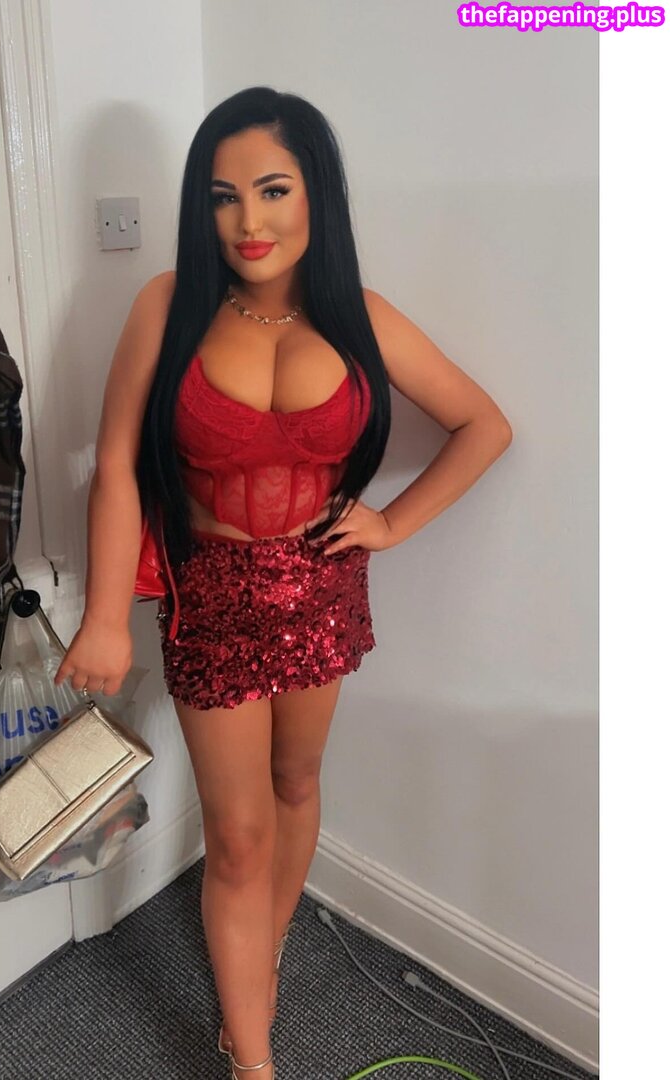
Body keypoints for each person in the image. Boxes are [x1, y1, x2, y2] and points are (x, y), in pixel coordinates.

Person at [55, 86, 512, 1079]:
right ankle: (252, 1063)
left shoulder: (361, 318)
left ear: (316, 195)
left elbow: (484, 425)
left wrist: (390, 522)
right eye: (223, 196)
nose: (247, 221)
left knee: (297, 783)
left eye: (272, 189)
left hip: (320, 592)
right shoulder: (168, 304)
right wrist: (103, 618)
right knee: (237, 835)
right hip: (212, 594)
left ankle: (260, 951)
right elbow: (119, 463)